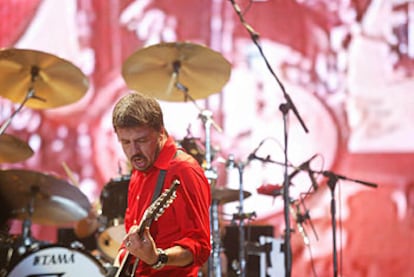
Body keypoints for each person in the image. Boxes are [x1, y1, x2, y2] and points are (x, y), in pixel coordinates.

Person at [111, 91, 211, 276]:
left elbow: (200, 248)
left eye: (141, 140)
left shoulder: (184, 170)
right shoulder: (140, 168)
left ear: (161, 133)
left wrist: (158, 258)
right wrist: (117, 267)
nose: (134, 151)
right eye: (125, 142)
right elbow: (131, 237)